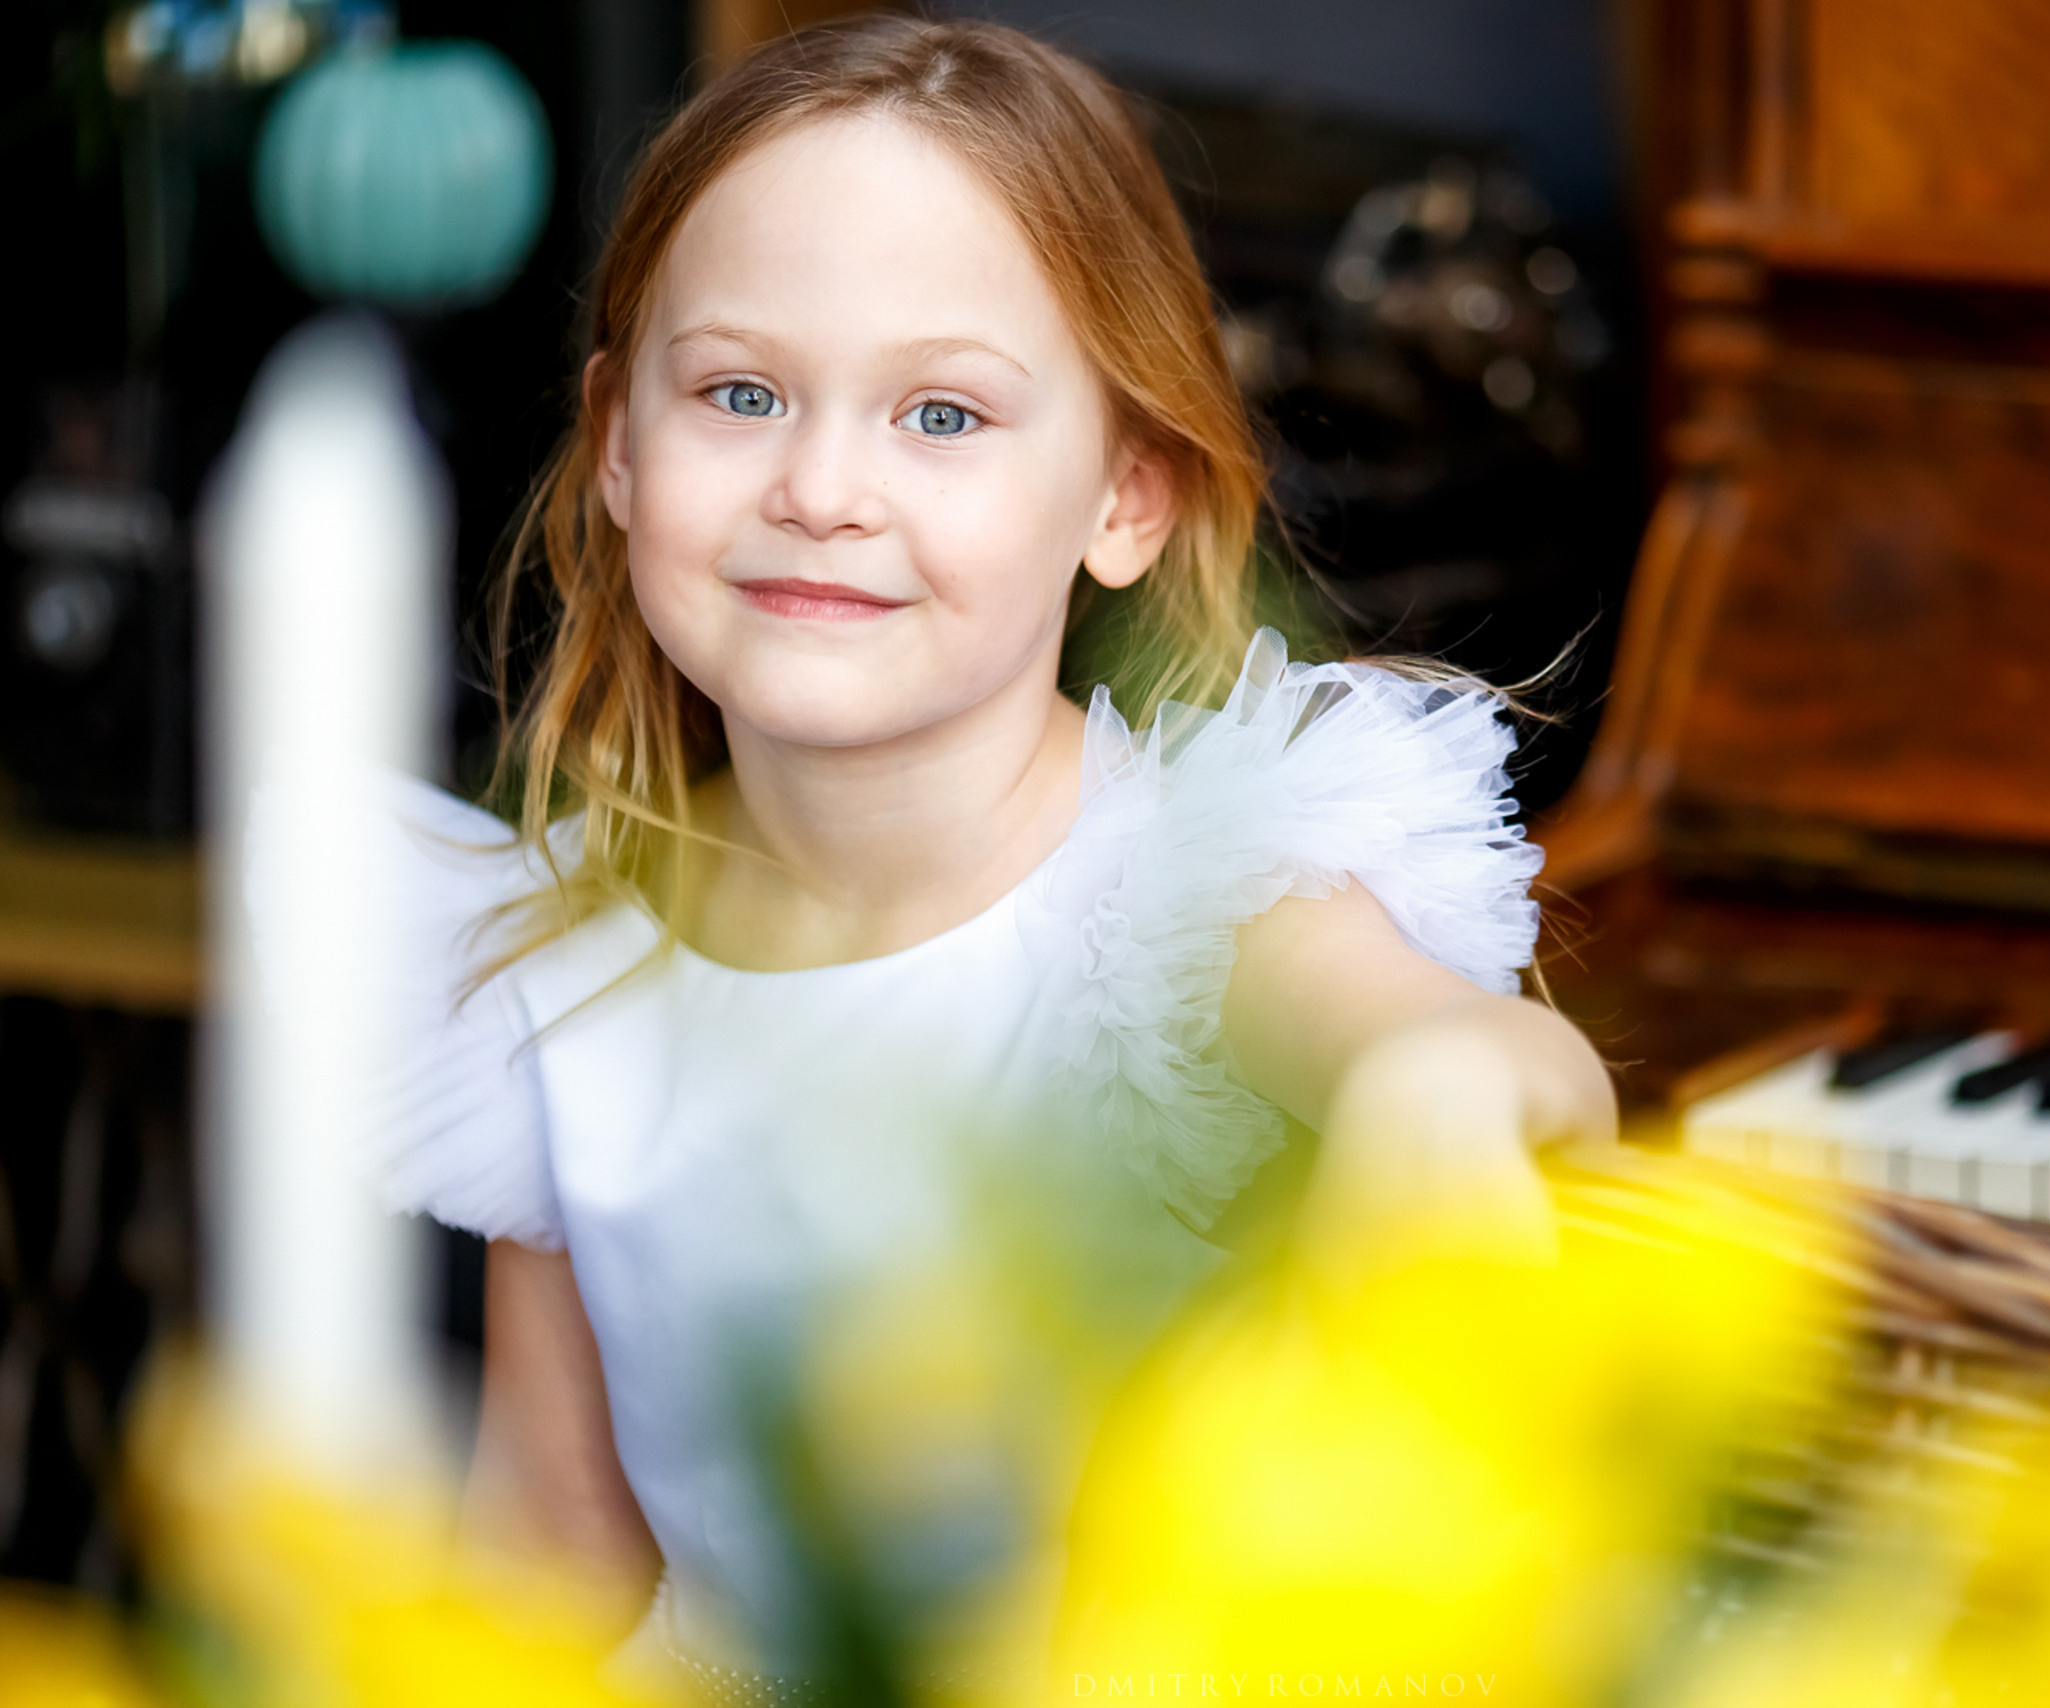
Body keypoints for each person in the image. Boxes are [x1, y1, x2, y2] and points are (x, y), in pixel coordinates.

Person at [374, 14, 1615, 1696]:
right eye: (739, 392)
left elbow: (1493, 1059)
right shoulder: (561, 965)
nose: (821, 485)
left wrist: (1434, 1097)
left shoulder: (1202, 900)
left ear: (1127, 494)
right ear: (615, 442)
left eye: (941, 417)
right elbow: (544, 1566)